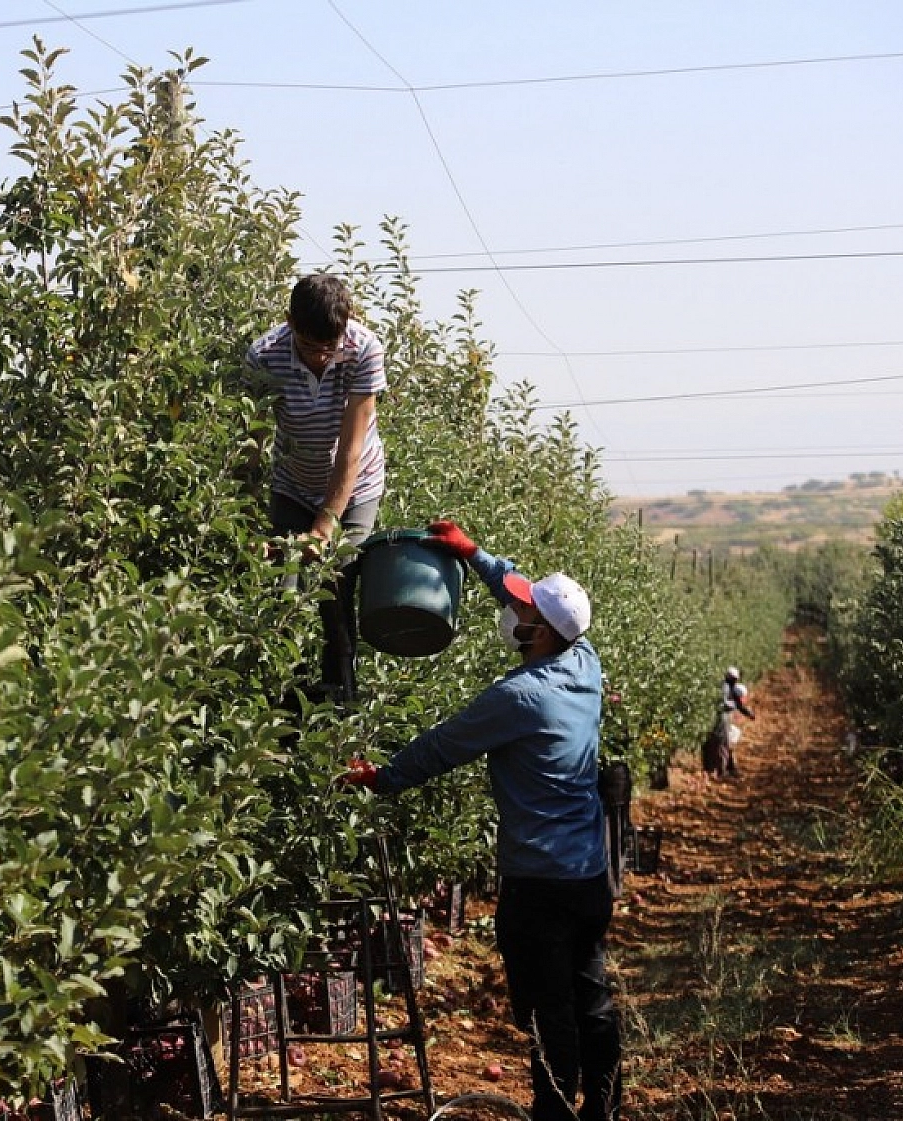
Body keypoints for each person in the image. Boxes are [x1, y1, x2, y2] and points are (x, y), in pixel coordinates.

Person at [342, 519, 621, 1121]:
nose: (513, 608)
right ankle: (603, 1106)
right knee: (591, 994)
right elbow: (518, 589)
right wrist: (474, 555)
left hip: (538, 882)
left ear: (539, 633)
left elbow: (443, 745)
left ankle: (554, 1112)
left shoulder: (520, 697)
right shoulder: (586, 664)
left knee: (549, 1010)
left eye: (525, 611)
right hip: (589, 874)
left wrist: (382, 776)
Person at [244, 274, 387, 708]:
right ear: (289, 323)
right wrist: (250, 522)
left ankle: (339, 698)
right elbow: (251, 442)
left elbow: (351, 448)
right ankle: (272, 699)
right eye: (311, 346)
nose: (323, 356)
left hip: (355, 486)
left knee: (335, 580)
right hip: (292, 482)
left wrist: (325, 526)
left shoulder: (364, 349)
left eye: (331, 345)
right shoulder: (264, 356)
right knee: (278, 584)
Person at [703, 666, 755, 779]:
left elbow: (739, 705)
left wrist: (747, 713)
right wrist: (736, 706)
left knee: (721, 744)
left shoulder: (729, 687)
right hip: (720, 719)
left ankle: (721, 768)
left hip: (721, 718)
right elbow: (723, 704)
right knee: (722, 744)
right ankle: (721, 771)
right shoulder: (725, 687)